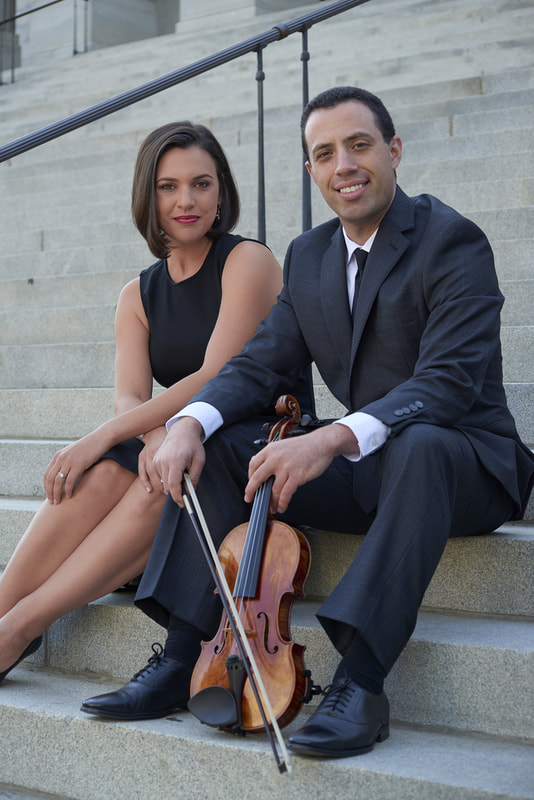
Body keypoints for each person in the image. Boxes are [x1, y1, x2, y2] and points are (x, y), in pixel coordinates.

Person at [81, 87, 534, 759]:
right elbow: (259, 364)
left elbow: (447, 385)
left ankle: (360, 682)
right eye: (325, 153)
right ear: (311, 171)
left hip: (465, 463)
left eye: (359, 145)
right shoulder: (312, 254)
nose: (344, 165)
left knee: (425, 443)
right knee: (226, 442)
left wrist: (331, 437)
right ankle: (181, 657)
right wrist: (188, 423)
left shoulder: (452, 242)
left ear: (393, 151)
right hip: (373, 467)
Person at [0, 120, 302, 686]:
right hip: (181, 434)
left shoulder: (248, 261)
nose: (186, 200)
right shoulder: (136, 294)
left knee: (146, 480)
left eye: (201, 184)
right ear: (148, 195)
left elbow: (218, 374)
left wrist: (104, 436)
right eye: (168, 186)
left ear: (221, 193)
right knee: (100, 477)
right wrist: (149, 434)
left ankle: (19, 627)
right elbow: (131, 395)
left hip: (250, 440)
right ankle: (3, 615)